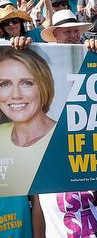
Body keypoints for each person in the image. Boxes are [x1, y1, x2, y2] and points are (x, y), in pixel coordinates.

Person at [0, 47, 57, 195]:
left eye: (26, 83)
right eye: (4, 84)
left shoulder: (64, 138)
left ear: (44, 86)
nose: (16, 95)